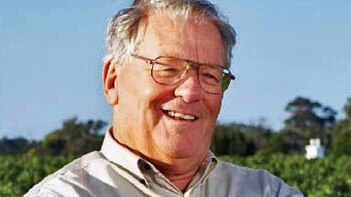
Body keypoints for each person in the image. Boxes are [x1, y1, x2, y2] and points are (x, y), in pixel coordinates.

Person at [25, 0, 304, 196]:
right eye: (168, 69)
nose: (191, 91)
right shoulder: (66, 194)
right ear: (112, 80)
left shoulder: (266, 192)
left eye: (209, 75)